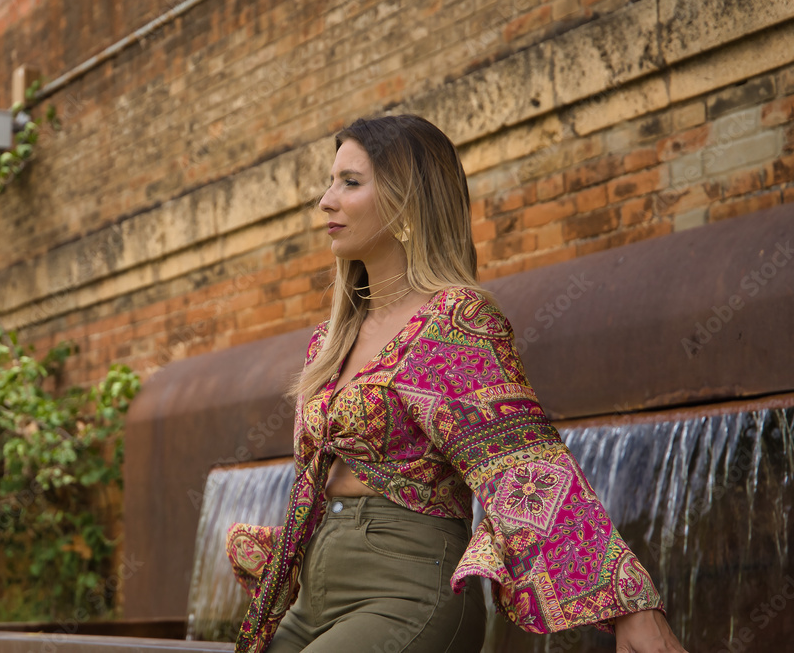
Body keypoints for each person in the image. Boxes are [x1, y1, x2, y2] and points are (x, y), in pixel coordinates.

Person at [225, 114, 687, 653]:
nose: (325, 201)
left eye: (350, 182)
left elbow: (523, 467)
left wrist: (629, 603)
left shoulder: (453, 321)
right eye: (330, 182)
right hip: (314, 594)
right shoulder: (330, 340)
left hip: (406, 592)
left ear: (406, 201)